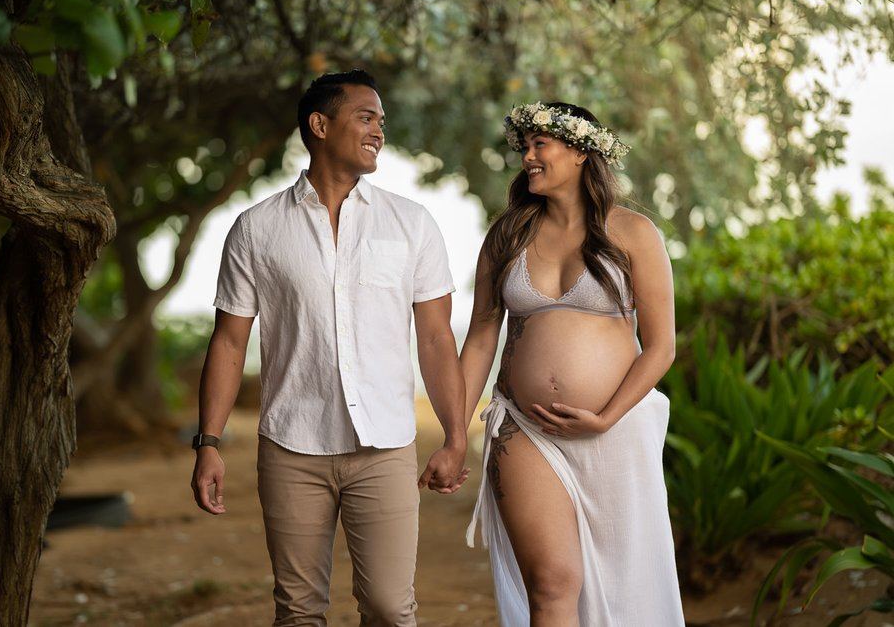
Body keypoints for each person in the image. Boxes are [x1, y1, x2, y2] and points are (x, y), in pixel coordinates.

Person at [190, 69, 469, 627]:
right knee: (298, 612)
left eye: (381, 122)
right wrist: (208, 443)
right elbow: (229, 339)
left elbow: (437, 338)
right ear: (320, 125)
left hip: (384, 447)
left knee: (391, 608)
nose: (378, 132)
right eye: (365, 118)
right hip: (292, 446)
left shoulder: (411, 224)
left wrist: (457, 436)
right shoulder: (256, 228)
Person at [461, 102, 685, 626]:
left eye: (540, 145)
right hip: (525, 429)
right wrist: (454, 435)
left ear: (582, 151)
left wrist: (606, 416)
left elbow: (661, 346)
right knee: (552, 582)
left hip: (615, 429)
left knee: (626, 578)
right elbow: (479, 340)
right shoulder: (507, 236)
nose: (528, 159)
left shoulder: (634, 232)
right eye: (524, 148)